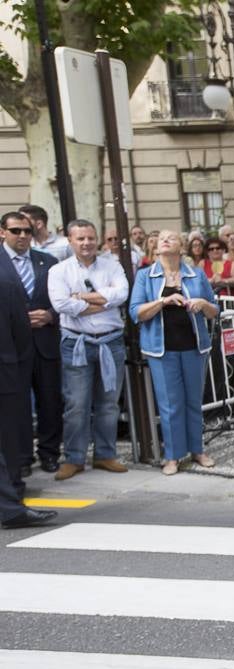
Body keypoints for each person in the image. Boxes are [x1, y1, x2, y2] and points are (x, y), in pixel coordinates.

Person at [129, 230, 218, 475]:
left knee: (193, 401)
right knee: (170, 404)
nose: (165, 240)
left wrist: (203, 304)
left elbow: (214, 310)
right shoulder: (146, 276)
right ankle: (173, 456)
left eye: (172, 237)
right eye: (161, 238)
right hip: (161, 349)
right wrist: (163, 302)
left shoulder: (196, 274)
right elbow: (135, 312)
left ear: (182, 247)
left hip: (194, 346)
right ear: (156, 248)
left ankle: (197, 450)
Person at [47, 219, 130, 481]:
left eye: (90, 238)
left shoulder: (112, 265)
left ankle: (105, 454)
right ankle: (74, 458)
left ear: (98, 239)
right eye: (80, 238)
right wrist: (105, 302)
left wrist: (81, 297)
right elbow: (61, 304)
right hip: (76, 343)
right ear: (70, 241)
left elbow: (122, 294)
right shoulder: (59, 271)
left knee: (108, 404)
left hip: (111, 342)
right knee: (76, 404)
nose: (86, 243)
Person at [0, 211, 61, 476]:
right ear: (2, 232)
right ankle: (21, 458)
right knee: (17, 405)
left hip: (45, 342)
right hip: (10, 349)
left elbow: (63, 298)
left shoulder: (48, 262)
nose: (23, 236)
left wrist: (51, 315)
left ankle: (49, 453)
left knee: (50, 400)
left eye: (27, 231)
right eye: (16, 231)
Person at [1, 262, 55, 530]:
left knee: (9, 443)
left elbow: (21, 336)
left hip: (8, 373)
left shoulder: (7, 285)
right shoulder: (8, 284)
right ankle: (10, 507)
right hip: (8, 373)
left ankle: (11, 503)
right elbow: (21, 336)